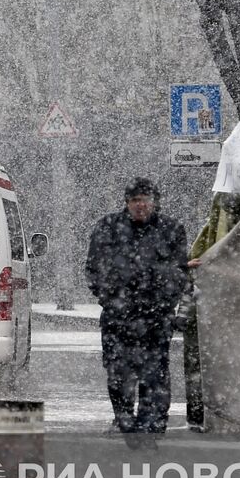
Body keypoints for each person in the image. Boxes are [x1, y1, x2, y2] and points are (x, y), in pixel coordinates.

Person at [85, 177, 193, 438]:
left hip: (156, 318)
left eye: (145, 200)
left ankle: (151, 427)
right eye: (135, 200)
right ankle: (124, 420)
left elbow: (180, 271)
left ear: (155, 203)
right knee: (118, 375)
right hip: (117, 318)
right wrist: (112, 300)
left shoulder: (171, 229)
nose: (140, 205)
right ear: (127, 203)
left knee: (154, 376)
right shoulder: (108, 228)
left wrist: (164, 303)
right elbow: (93, 269)